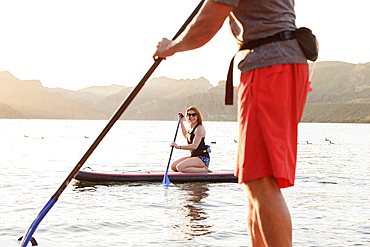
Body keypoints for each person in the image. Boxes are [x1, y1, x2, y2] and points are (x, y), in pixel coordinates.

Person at [153, 1, 310, 246]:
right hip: (280, 63)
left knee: (261, 180)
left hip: (269, 65)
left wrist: (170, 47)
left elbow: (206, 23)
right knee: (253, 179)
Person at [170, 106, 212, 173]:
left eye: (193, 114)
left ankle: (204, 169)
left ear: (197, 116)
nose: (191, 117)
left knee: (179, 167)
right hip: (194, 156)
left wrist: (178, 147)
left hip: (202, 158)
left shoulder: (199, 129)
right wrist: (181, 122)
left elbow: (194, 146)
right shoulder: (191, 127)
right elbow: (186, 135)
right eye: (189, 115)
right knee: (173, 166)